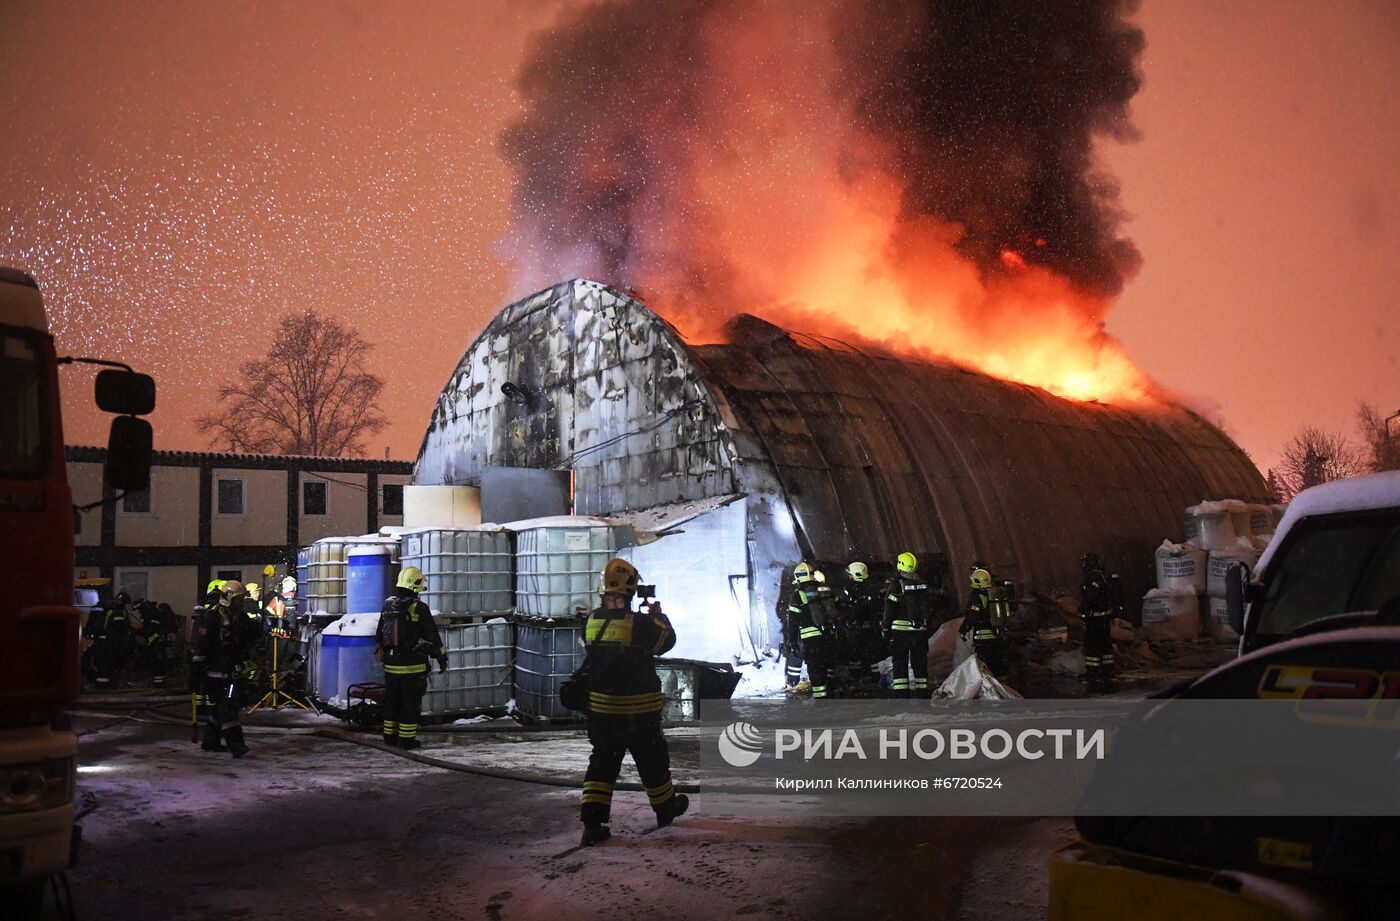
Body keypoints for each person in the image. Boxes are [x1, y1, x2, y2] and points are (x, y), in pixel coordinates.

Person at [579, 559, 687, 846]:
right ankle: (666, 810)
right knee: (653, 763)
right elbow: (666, 642)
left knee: (602, 765)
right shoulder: (638, 623)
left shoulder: (590, 621)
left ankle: (593, 822)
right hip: (638, 713)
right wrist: (659, 616)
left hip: (602, 713)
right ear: (630, 590)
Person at [375, 566, 447, 750]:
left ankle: (389, 737)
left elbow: (379, 634)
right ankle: (406, 740)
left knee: (392, 701)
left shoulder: (388, 605)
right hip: (412, 667)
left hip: (391, 666)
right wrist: (442, 657)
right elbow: (432, 636)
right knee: (410, 704)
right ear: (416, 586)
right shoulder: (419, 608)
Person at [189, 581, 258, 757]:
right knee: (226, 709)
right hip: (215, 673)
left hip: (233, 670)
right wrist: (195, 673)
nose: (242, 602)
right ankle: (237, 746)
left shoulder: (239, 617)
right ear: (230, 599)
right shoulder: (212, 617)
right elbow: (200, 646)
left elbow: (248, 636)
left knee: (224, 707)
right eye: (239, 599)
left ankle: (210, 742)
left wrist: (258, 629)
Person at [883, 552, 942, 698]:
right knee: (920, 665)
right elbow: (929, 606)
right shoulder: (922, 583)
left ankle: (902, 697)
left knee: (900, 664)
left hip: (900, 634)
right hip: (920, 632)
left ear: (901, 564)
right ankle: (923, 695)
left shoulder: (896, 583)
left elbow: (889, 608)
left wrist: (885, 627)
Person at [787, 563, 838, 699]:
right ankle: (833, 693)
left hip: (811, 641)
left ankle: (821, 699)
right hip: (828, 636)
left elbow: (792, 622)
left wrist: (792, 640)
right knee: (828, 666)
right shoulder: (823, 590)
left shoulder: (798, 595)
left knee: (815, 670)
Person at [839, 561, 886, 697]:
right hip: (871, 630)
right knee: (873, 656)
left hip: (857, 630)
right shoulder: (872, 588)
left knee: (855, 656)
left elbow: (846, 609)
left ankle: (856, 681)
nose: (848, 576)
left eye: (850, 574)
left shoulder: (850, 589)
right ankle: (876, 680)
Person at [960, 562, 1004, 677]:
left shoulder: (977, 596)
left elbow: (972, 617)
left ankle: (991, 692)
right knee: (999, 667)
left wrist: (963, 630)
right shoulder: (995, 593)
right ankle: (1005, 690)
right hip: (998, 637)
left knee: (985, 669)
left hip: (983, 640)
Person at [1080, 553, 1115, 689]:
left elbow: (1091, 596)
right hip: (1104, 620)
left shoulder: (1093, 577)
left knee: (1092, 645)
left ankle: (1093, 672)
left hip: (1096, 619)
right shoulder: (1101, 575)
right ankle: (1108, 669)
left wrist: (1084, 609)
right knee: (1105, 645)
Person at [86, 591, 135, 690]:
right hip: (110, 641)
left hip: (105, 641)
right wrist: (123, 640)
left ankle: (105, 684)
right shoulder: (117, 612)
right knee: (109, 664)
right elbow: (119, 628)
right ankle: (105, 685)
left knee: (106, 664)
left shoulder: (110, 611)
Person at [777, 566, 808, 695]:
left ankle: (792, 683)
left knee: (795, 655)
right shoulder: (815, 590)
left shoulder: (795, 593)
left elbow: (790, 617)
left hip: (801, 632)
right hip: (815, 632)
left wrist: (791, 637)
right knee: (815, 658)